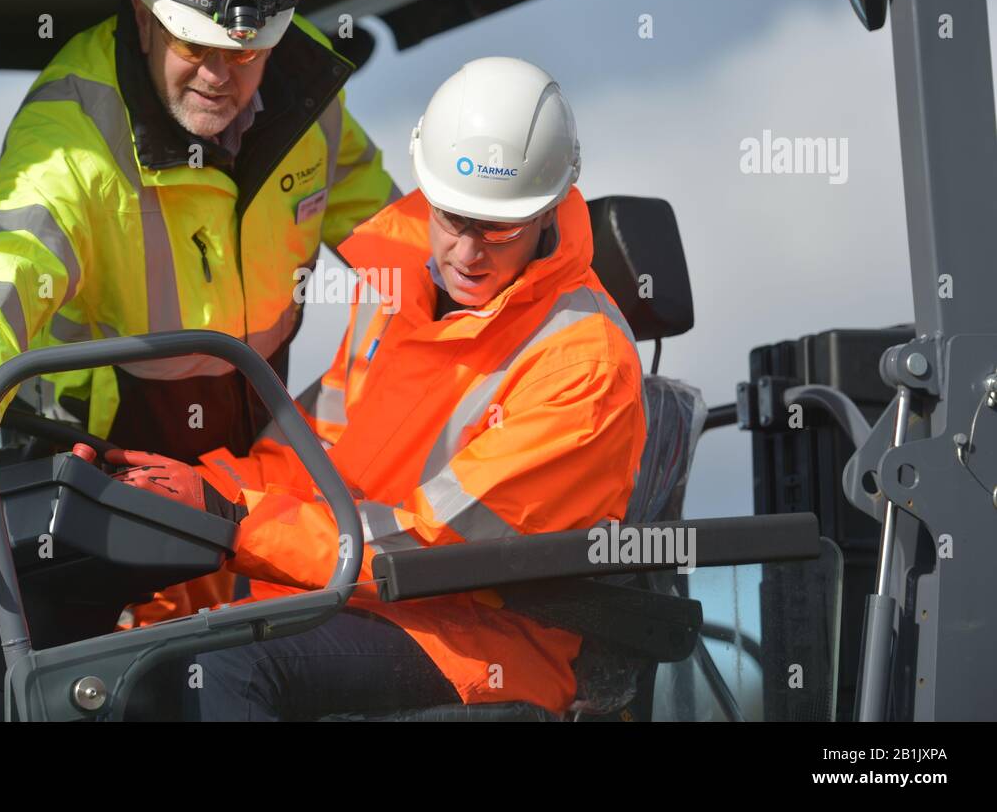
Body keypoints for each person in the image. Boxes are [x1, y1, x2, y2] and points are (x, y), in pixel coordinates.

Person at [0, 0, 396, 611]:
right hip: (104, 480)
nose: (222, 77)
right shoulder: (72, 130)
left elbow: (388, 227)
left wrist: (495, 287)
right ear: (146, 15)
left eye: (246, 54)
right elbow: (3, 272)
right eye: (197, 45)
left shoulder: (307, 89)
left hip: (252, 477)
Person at [108, 56, 648, 720]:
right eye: (452, 218)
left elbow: (430, 547)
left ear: (548, 211)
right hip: (345, 599)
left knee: (222, 669)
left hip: (475, 640)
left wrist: (233, 520)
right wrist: (168, 520)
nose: (468, 253)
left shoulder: (582, 361)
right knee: (116, 659)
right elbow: (307, 467)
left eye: (498, 228)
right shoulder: (396, 298)